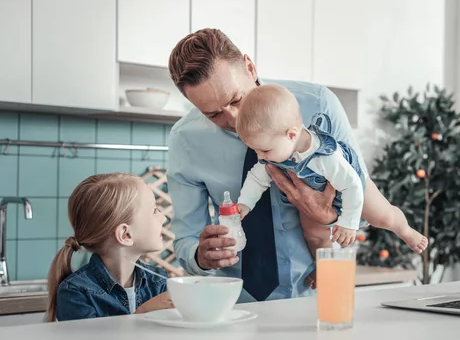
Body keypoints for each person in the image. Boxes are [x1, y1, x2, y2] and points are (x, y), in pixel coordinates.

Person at [167, 28, 367, 302]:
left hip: (320, 294)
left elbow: (364, 203)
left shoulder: (318, 104)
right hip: (236, 304)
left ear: (250, 67)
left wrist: (327, 218)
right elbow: (185, 243)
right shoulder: (185, 139)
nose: (234, 119)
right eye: (213, 114)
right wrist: (201, 256)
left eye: (236, 99)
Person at [235, 84, 428, 287]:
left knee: (384, 217)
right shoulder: (275, 150)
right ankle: (323, 265)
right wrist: (245, 203)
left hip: (350, 186)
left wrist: (348, 223)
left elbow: (352, 186)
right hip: (313, 193)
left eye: (264, 150)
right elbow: (256, 178)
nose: (260, 156)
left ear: (291, 134)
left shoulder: (326, 158)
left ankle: (406, 230)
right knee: (314, 235)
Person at [45, 173, 174, 322]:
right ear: (125, 234)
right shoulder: (75, 292)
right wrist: (141, 314)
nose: (163, 218)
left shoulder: (159, 281)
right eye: (154, 211)